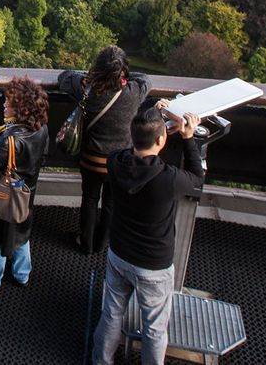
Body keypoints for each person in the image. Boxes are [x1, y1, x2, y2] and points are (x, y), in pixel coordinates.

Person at [92, 104, 204, 365]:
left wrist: (155, 120)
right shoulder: (169, 179)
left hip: (119, 253)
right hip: (153, 265)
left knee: (111, 313)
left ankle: (101, 361)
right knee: (154, 328)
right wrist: (187, 138)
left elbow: (132, 149)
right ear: (162, 139)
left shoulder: (115, 163)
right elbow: (197, 180)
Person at [58, 45, 151, 254]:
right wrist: (122, 73)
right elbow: (145, 78)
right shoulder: (132, 92)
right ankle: (102, 244)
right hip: (120, 161)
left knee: (90, 200)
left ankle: (86, 243)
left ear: (97, 68)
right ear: (123, 72)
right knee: (110, 203)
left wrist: (89, 76)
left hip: (91, 159)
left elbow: (64, 77)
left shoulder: (86, 89)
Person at [0, 76, 50, 291]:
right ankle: (22, 276)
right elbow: (42, 157)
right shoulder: (41, 129)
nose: (4, 105)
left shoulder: (9, 140)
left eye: (10, 103)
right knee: (21, 235)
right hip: (26, 193)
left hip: (4, 197)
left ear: (22, 109)